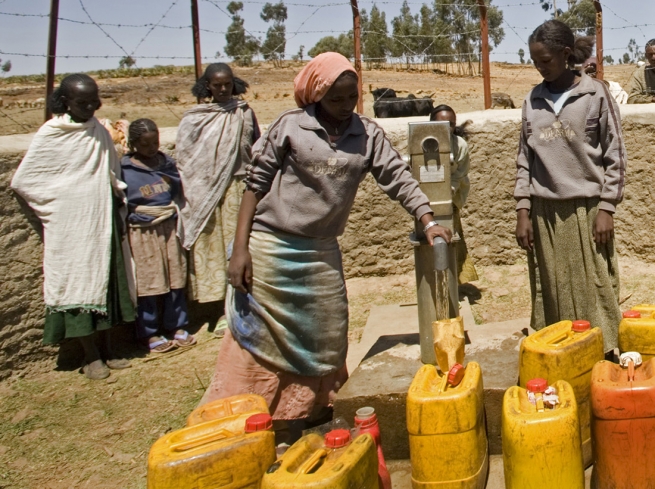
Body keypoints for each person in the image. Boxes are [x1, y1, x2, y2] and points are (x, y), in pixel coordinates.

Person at [201, 52, 452, 438]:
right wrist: (240, 250)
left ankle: (308, 412)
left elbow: (398, 178)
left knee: (326, 336)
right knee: (262, 340)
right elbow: (254, 186)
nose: (345, 106)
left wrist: (428, 220)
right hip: (272, 248)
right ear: (316, 96)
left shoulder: (366, 134)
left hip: (320, 252)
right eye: (336, 99)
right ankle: (255, 421)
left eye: (352, 97)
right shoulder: (290, 127)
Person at [11, 74, 135, 380]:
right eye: (82, 102)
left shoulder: (100, 132)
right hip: (70, 224)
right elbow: (25, 180)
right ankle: (89, 355)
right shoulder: (52, 133)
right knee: (77, 282)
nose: (90, 107)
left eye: (95, 101)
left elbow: (111, 170)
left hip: (101, 217)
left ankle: (109, 348)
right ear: (65, 102)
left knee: (107, 283)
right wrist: (60, 204)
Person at [515, 20, 626, 356]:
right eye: (535, 62)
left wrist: (606, 207)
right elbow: (525, 160)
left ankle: (604, 351)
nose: (540, 68)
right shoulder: (533, 100)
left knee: (596, 283)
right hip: (546, 211)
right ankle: (561, 353)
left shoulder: (595, 94)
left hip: (588, 210)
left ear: (566, 55)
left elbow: (615, 153)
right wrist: (523, 210)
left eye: (545, 61)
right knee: (553, 286)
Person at [175, 63, 260, 336]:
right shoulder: (195, 118)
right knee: (211, 247)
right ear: (207, 87)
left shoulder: (244, 113)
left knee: (237, 245)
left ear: (234, 84)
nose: (222, 89)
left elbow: (256, 148)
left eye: (227, 84)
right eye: (216, 85)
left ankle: (238, 306)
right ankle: (217, 312)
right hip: (206, 192)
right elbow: (187, 158)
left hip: (239, 188)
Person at [121, 119, 194, 353]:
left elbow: (177, 192)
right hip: (142, 230)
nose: (152, 148)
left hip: (169, 226)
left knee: (176, 276)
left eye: (155, 142)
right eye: (145, 144)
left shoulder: (167, 164)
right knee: (148, 281)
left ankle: (178, 325)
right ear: (133, 144)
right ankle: (150, 332)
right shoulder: (125, 168)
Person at [429, 105, 478, 284]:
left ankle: (452, 281)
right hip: (426, 201)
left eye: (450, 124)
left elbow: (459, 175)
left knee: (451, 236)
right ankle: (432, 280)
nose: (446, 128)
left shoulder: (459, 145)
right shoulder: (423, 142)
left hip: (451, 199)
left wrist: (446, 194)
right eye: (441, 123)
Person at [626, 39, 655, 104]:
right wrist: (652, 99)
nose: (653, 58)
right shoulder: (640, 73)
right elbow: (631, 99)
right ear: (646, 56)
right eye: (650, 54)